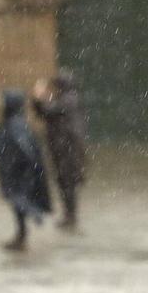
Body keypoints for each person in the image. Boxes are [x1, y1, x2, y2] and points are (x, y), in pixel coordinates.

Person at [0, 89, 51, 251]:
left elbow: (26, 150)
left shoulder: (16, 125)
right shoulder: (13, 122)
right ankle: (21, 236)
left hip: (18, 174)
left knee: (20, 202)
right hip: (15, 173)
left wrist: (20, 167)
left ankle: (21, 237)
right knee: (17, 204)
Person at [30, 71, 88, 230]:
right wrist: (38, 100)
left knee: (67, 182)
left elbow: (48, 111)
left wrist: (39, 96)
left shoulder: (69, 99)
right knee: (64, 182)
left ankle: (71, 216)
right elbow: (45, 113)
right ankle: (69, 215)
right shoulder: (67, 98)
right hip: (64, 148)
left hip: (68, 149)